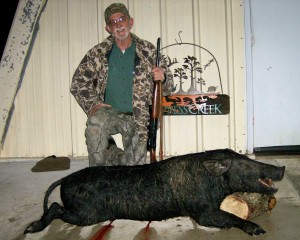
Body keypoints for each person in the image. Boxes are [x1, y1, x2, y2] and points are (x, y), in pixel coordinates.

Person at [70, 3, 173, 166]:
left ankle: (113, 154)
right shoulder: (97, 53)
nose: (118, 24)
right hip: (110, 114)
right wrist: (93, 104)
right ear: (108, 28)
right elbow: (78, 83)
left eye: (121, 19)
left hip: (139, 117)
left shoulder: (149, 50)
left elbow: (168, 89)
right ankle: (97, 174)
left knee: (133, 168)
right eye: (113, 22)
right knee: (94, 124)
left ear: (130, 22)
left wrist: (164, 78)